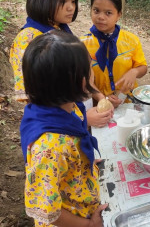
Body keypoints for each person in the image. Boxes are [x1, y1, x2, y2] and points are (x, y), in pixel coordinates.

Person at [20, 30, 108, 226]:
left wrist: (84, 161)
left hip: (80, 191)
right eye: (88, 68)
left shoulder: (66, 108)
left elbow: (74, 143)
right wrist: (89, 225)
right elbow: (46, 209)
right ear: (73, 82)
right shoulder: (50, 148)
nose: (92, 71)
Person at [9, 0, 112, 128]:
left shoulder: (60, 29)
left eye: (73, 1)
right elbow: (36, 103)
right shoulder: (27, 40)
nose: (71, 7)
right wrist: (83, 120)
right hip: (60, 130)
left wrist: (99, 97)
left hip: (77, 116)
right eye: (63, 1)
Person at [81, 0, 148, 108]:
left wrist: (134, 72)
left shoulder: (131, 40)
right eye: (96, 10)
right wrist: (102, 99)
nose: (101, 17)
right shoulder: (83, 44)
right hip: (99, 106)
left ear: (119, 15)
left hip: (129, 104)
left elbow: (143, 67)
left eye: (108, 13)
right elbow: (84, 79)